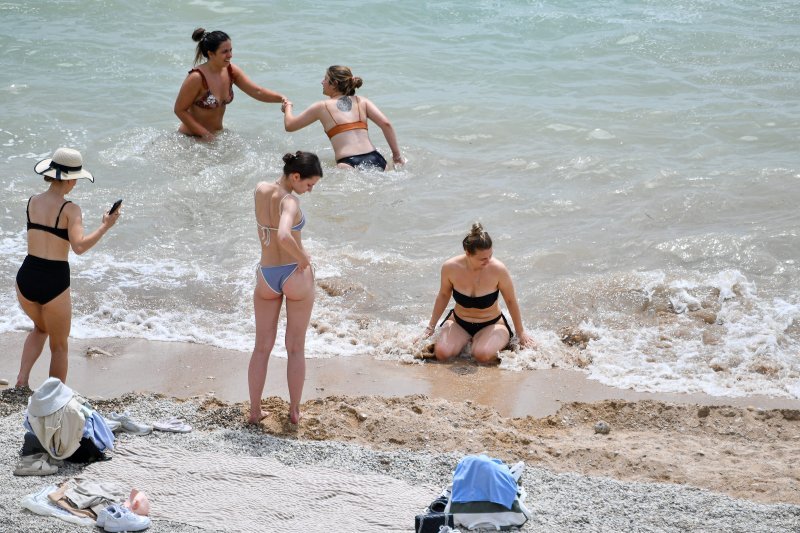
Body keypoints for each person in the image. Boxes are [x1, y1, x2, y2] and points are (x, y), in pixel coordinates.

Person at [15, 148, 120, 388]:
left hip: (27, 276)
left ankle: (21, 381)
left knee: (40, 328)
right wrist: (105, 226)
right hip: (54, 280)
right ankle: (55, 398)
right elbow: (79, 247)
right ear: (71, 179)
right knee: (59, 345)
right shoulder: (70, 209)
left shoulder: (33, 201)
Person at [248, 151, 322, 425]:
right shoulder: (290, 201)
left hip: (267, 275)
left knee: (261, 348)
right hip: (294, 274)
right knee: (295, 348)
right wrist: (303, 258)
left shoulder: (260, 189)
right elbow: (283, 235)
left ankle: (255, 412)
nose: (310, 190)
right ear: (295, 176)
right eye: (309, 184)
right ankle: (294, 411)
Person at [422, 223, 535, 364]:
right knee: (442, 353)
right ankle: (467, 341)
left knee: (481, 355)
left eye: (490, 256)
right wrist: (430, 327)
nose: (488, 261)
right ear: (468, 253)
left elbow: (511, 300)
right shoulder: (450, 267)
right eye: (483, 259)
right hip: (459, 322)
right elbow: (443, 295)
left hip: (491, 324)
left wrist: (521, 332)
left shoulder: (498, 270)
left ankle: (478, 343)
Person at [282, 65, 403, 170]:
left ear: (334, 84)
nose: (322, 82)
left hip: (348, 163)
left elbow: (290, 126)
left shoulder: (321, 106)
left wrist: (288, 107)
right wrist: (396, 156)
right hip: (377, 159)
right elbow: (386, 124)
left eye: (325, 79)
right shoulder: (362, 101)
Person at [174, 28, 287, 140]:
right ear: (211, 54)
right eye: (224, 52)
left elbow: (257, 91)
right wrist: (205, 135)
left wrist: (281, 98)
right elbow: (179, 110)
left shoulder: (231, 71)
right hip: (189, 139)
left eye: (230, 50)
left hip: (215, 137)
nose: (230, 55)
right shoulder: (197, 77)